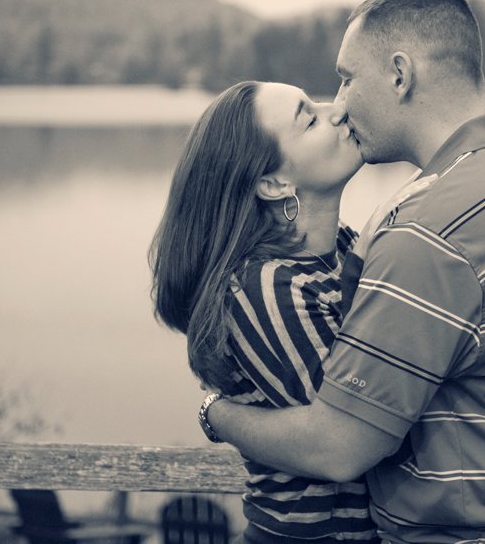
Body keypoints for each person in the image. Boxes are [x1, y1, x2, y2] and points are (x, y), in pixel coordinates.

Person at [204, 0, 485, 543]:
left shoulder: (427, 232)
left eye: (347, 78)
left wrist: (216, 415)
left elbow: (339, 444)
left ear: (400, 74)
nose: (339, 103)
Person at [150, 80, 382, 543]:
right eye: (309, 118)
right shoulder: (268, 287)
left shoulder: (343, 249)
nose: (337, 111)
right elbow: (347, 443)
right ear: (275, 183)